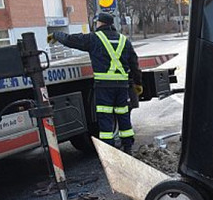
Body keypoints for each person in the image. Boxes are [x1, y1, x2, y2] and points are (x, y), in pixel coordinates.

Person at [48, 13, 143, 153]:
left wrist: (56, 35)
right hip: (122, 87)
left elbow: (71, 40)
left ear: (100, 23)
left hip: (104, 87)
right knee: (123, 115)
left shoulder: (94, 38)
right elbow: (134, 64)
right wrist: (138, 83)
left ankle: (109, 151)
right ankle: (128, 147)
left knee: (105, 118)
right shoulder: (124, 40)